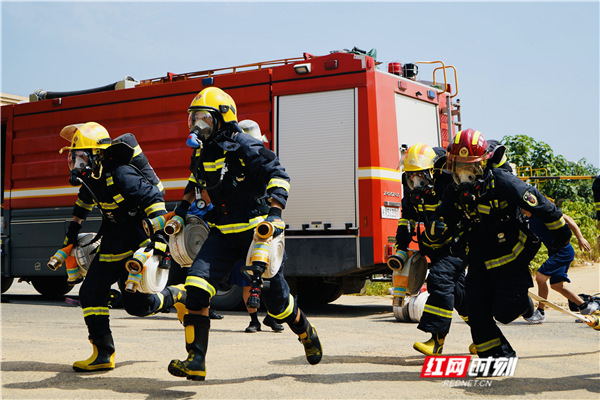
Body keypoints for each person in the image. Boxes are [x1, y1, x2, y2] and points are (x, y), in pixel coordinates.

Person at [167, 87, 322, 381]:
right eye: (193, 119)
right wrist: (181, 209)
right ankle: (196, 360)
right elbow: (194, 181)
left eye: (203, 119)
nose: (196, 125)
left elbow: (279, 175)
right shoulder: (201, 152)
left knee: (277, 306)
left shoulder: (246, 145)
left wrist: (275, 215)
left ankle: (306, 332)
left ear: (222, 119)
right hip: (223, 232)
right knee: (197, 287)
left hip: (256, 232)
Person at [423, 129, 571, 359]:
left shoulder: (503, 182)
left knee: (505, 310)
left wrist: (561, 238)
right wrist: (435, 229)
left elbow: (543, 205)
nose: (464, 174)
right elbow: (442, 219)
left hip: (510, 255)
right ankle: (497, 357)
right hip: (479, 256)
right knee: (477, 310)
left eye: (469, 167)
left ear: (482, 164)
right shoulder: (453, 192)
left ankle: (523, 304)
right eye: (459, 167)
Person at [58, 122, 187, 372]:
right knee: (90, 293)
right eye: (74, 158)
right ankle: (103, 354)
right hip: (112, 240)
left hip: (136, 242)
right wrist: (73, 230)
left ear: (98, 154)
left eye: (81, 157)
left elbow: (153, 198)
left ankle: (179, 294)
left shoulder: (121, 173)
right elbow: (83, 203)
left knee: (139, 307)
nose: (77, 164)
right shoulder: (90, 177)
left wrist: (159, 238)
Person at [390, 143, 469, 355]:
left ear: (432, 172)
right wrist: (401, 246)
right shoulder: (410, 188)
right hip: (434, 247)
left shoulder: (447, 182)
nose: (416, 183)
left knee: (440, 280)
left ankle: (436, 340)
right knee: (460, 293)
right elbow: (406, 217)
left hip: (456, 245)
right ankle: (485, 335)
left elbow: (464, 211)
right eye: (411, 177)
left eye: (421, 177)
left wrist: (446, 223)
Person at [237, 119, 284, 333]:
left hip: (266, 228)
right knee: (252, 277)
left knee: (272, 274)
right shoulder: (236, 163)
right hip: (250, 229)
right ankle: (255, 320)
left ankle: (269, 318)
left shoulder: (265, 159)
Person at [524, 207, 597, 323]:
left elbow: (568, 219)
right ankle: (587, 308)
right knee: (557, 285)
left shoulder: (542, 213)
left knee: (540, 277)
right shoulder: (526, 220)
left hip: (563, 251)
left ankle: (541, 312)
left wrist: (580, 238)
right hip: (555, 252)